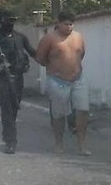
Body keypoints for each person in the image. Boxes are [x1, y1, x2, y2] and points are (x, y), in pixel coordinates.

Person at [35, 10, 91, 156]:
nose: (69, 27)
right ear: (58, 23)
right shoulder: (50, 38)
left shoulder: (78, 37)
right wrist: (55, 67)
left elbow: (81, 54)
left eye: (71, 24)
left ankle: (82, 145)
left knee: (83, 111)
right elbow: (40, 57)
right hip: (57, 80)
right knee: (59, 114)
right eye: (66, 24)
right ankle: (59, 143)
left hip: (78, 79)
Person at [0, 13, 36, 154]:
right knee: (7, 109)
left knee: (15, 106)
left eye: (13, 20)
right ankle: (10, 141)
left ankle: (8, 134)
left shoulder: (20, 38)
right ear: (2, 21)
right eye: (8, 20)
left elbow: (32, 52)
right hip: (1, 77)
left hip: (17, 77)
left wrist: (49, 58)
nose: (11, 23)